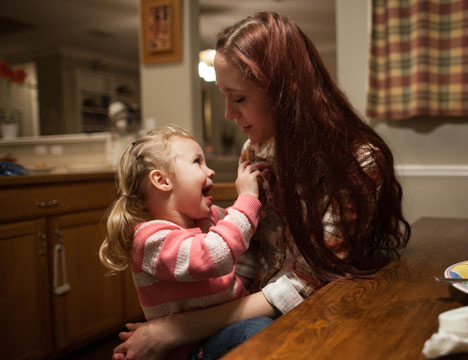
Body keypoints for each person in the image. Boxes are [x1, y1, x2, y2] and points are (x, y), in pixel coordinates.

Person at [112, 12, 411, 360]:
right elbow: (248, 247)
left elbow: (308, 282)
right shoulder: (255, 150)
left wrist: (177, 328)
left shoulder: (358, 161)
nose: (227, 113)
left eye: (237, 98)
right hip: (250, 311)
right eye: (223, 96)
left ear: (286, 92)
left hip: (324, 312)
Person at [99, 125, 269, 359]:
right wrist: (248, 199)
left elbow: (239, 228)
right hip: (192, 349)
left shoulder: (203, 220)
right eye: (197, 162)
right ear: (162, 180)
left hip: (220, 330)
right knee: (255, 330)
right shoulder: (151, 240)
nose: (210, 172)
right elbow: (215, 255)